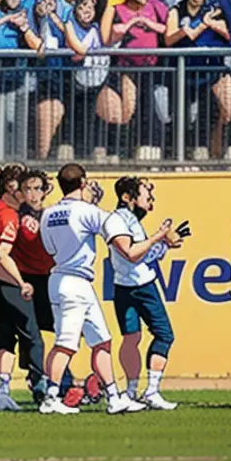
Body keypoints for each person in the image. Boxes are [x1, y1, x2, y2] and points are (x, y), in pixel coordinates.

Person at [38, 163, 157, 415]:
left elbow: (49, 249)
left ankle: (114, 397)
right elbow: (122, 242)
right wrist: (157, 237)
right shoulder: (87, 211)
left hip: (61, 278)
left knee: (101, 340)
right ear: (82, 184)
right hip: (75, 282)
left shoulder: (48, 214)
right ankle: (50, 397)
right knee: (65, 344)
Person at [106, 176, 184, 410]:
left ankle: (132, 391)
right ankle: (149, 390)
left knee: (132, 337)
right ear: (127, 198)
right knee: (164, 335)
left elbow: (143, 253)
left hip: (125, 285)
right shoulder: (119, 220)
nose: (150, 200)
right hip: (140, 286)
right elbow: (133, 253)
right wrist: (159, 237)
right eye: (145, 195)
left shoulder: (129, 219)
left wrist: (164, 245)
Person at [0, 165, 40, 412]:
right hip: (7, 284)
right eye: (23, 187)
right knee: (32, 335)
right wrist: (20, 282)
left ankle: (3, 389)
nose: (27, 192)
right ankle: (44, 388)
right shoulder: (6, 216)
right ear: (11, 188)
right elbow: (0, 255)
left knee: (6, 334)